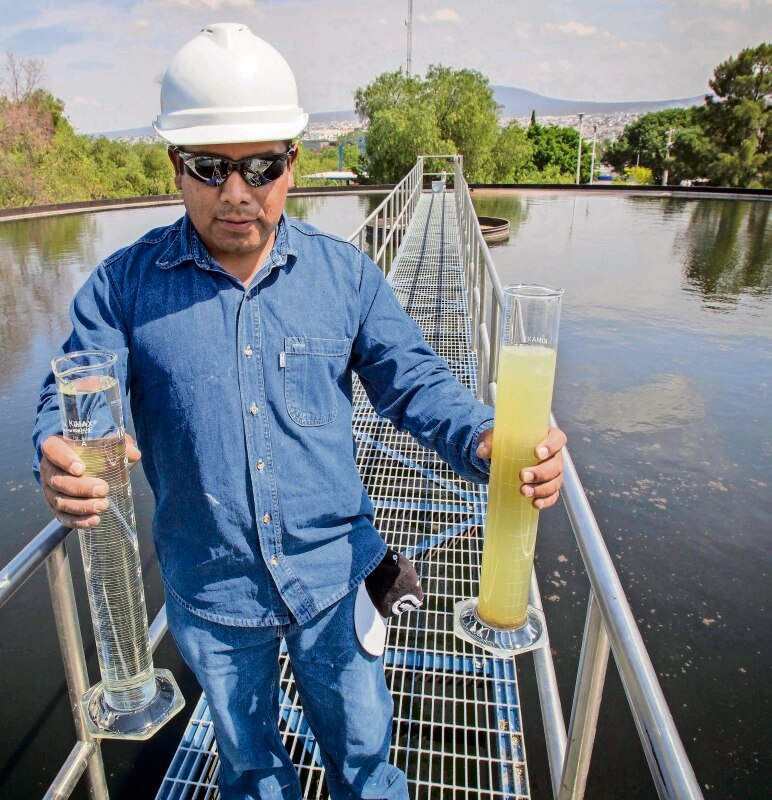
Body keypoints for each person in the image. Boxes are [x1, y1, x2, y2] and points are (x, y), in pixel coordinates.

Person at [33, 23, 566, 800]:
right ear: (175, 167)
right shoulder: (123, 289)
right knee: (251, 771)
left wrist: (485, 438)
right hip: (214, 595)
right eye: (210, 168)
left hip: (338, 579)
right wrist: (57, 451)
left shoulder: (343, 276)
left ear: (293, 162)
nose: (237, 192)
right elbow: (73, 392)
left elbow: (415, 382)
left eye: (262, 166)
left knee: (364, 759)